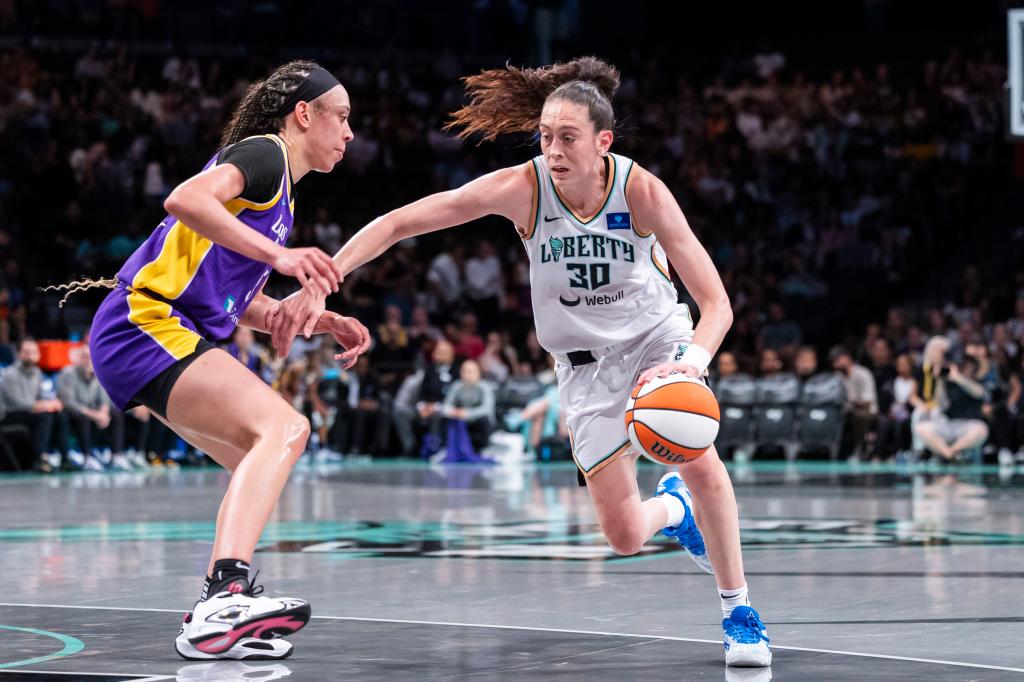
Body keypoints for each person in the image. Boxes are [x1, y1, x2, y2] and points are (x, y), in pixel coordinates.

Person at [269, 57, 770, 667]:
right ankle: (673, 512)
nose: (553, 149)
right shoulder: (523, 188)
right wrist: (324, 281)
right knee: (624, 536)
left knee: (701, 459)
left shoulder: (641, 191)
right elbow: (403, 221)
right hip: (583, 371)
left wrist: (689, 364)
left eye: (568, 138)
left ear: (602, 141)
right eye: (546, 136)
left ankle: (738, 610)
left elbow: (716, 304)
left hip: (655, 346)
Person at [51, 61, 370, 661]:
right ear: (306, 113)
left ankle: (220, 615)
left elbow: (228, 294)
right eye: (343, 118)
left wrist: (308, 317)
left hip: (158, 328)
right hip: (143, 323)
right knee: (285, 427)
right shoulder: (264, 154)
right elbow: (185, 198)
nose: (350, 133)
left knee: (258, 456)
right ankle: (224, 594)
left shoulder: (282, 198)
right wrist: (280, 256)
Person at [0, 338, 70, 471]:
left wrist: (53, 403)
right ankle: (40, 458)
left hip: (29, 413)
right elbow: (18, 403)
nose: (30, 356)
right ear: (19, 354)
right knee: (45, 416)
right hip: (9, 415)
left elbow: (41, 396)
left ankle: (65, 458)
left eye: (33, 352)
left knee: (59, 414)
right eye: (26, 352)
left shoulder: (37, 373)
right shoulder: (10, 374)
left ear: (38, 355)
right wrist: (44, 406)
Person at [57, 345, 130, 470]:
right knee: (82, 417)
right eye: (84, 357)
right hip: (72, 413)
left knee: (115, 414)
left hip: (92, 412)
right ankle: (87, 457)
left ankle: (116, 455)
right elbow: (69, 402)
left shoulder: (98, 372)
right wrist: (95, 415)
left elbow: (105, 398)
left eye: (90, 357)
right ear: (77, 359)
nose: (88, 360)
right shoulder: (67, 373)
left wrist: (103, 413)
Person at [830, 345, 878, 458]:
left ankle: (860, 449)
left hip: (866, 411)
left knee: (859, 417)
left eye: (838, 359)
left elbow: (867, 402)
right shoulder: (837, 377)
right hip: (846, 411)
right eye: (834, 360)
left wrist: (849, 401)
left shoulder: (863, 373)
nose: (836, 363)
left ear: (847, 358)